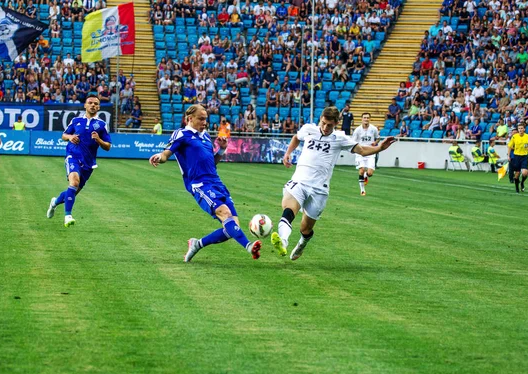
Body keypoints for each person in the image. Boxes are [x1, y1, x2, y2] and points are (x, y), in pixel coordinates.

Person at [270, 106, 396, 260]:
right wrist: (288, 153)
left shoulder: (340, 138)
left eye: (329, 125)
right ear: (320, 119)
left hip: (319, 190)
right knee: (288, 209)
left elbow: (362, 150)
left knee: (305, 228)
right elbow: (297, 137)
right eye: (323, 123)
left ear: (336, 123)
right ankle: (283, 241)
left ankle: (302, 243)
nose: (325, 127)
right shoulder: (309, 129)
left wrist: (380, 147)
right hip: (299, 181)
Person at [148, 104, 262, 262]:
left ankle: (197, 244)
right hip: (200, 185)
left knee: (232, 227)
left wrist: (221, 150)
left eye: (205, 119)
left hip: (217, 183)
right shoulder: (181, 134)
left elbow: (212, 164)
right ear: (190, 119)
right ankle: (249, 246)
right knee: (224, 213)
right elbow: (166, 154)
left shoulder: (206, 137)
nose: (204, 122)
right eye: (201, 119)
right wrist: (159, 157)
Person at [46, 95, 112, 227]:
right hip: (72, 156)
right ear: (85, 105)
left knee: (72, 192)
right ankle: (67, 216)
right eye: (90, 103)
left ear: (99, 107)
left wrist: (99, 140)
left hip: (88, 163)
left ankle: (54, 202)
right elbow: (64, 135)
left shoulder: (102, 125)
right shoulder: (76, 121)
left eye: (95, 104)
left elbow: (108, 146)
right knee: (74, 182)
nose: (93, 105)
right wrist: (70, 137)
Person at [351, 112, 379, 196]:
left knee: (370, 173)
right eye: (364, 117)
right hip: (360, 152)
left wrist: (375, 142)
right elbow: (353, 141)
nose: (366, 119)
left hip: (370, 152)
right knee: (361, 170)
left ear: (369, 119)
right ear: (361, 119)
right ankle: (362, 190)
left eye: (367, 118)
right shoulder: (357, 130)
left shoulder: (373, 129)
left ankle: (366, 176)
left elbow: (378, 138)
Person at [508, 123, 528, 193]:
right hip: (516, 156)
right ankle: (517, 188)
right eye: (519, 128)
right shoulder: (514, 137)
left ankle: (522, 182)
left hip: (524, 156)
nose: (520, 130)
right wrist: (508, 155)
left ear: (524, 129)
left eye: (521, 128)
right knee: (517, 175)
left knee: (525, 173)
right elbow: (509, 146)